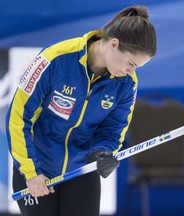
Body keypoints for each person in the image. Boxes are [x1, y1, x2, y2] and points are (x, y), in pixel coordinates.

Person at [6, 5, 156, 216]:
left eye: (137, 67)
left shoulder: (127, 83)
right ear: (114, 44)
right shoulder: (54, 58)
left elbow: (113, 131)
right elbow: (18, 117)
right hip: (38, 165)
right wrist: (31, 173)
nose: (131, 71)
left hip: (81, 170)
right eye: (131, 63)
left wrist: (102, 153)